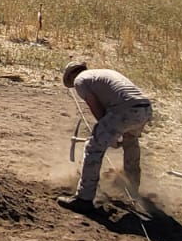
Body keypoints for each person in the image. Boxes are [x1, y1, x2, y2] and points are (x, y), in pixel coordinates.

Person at [59, 60, 154, 214]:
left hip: (126, 109)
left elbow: (94, 106)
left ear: (70, 77)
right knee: (131, 143)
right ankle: (132, 189)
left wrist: (108, 135)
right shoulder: (101, 74)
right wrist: (114, 135)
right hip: (145, 109)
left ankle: (84, 198)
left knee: (93, 146)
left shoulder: (80, 80)